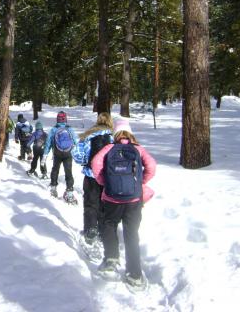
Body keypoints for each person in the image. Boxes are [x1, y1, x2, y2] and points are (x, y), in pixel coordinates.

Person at [90, 118, 156, 289]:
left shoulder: (109, 148)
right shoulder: (138, 149)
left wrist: (105, 182)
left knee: (109, 226)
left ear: (116, 133)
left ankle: (111, 262)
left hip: (111, 198)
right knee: (132, 233)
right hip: (134, 199)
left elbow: (95, 164)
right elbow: (152, 167)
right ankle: (135, 274)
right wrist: (139, 183)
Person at [71, 112, 113, 246]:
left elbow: (77, 155)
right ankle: (102, 231)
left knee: (90, 203)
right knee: (104, 204)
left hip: (91, 175)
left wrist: (85, 161)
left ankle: (90, 230)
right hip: (108, 177)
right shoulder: (114, 138)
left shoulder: (88, 136)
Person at [42, 111, 79, 203]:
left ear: (57, 119)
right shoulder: (69, 129)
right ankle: (69, 192)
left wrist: (45, 155)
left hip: (57, 154)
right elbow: (76, 141)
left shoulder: (54, 130)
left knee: (55, 170)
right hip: (68, 154)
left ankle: (53, 189)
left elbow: (48, 144)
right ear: (65, 119)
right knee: (68, 172)